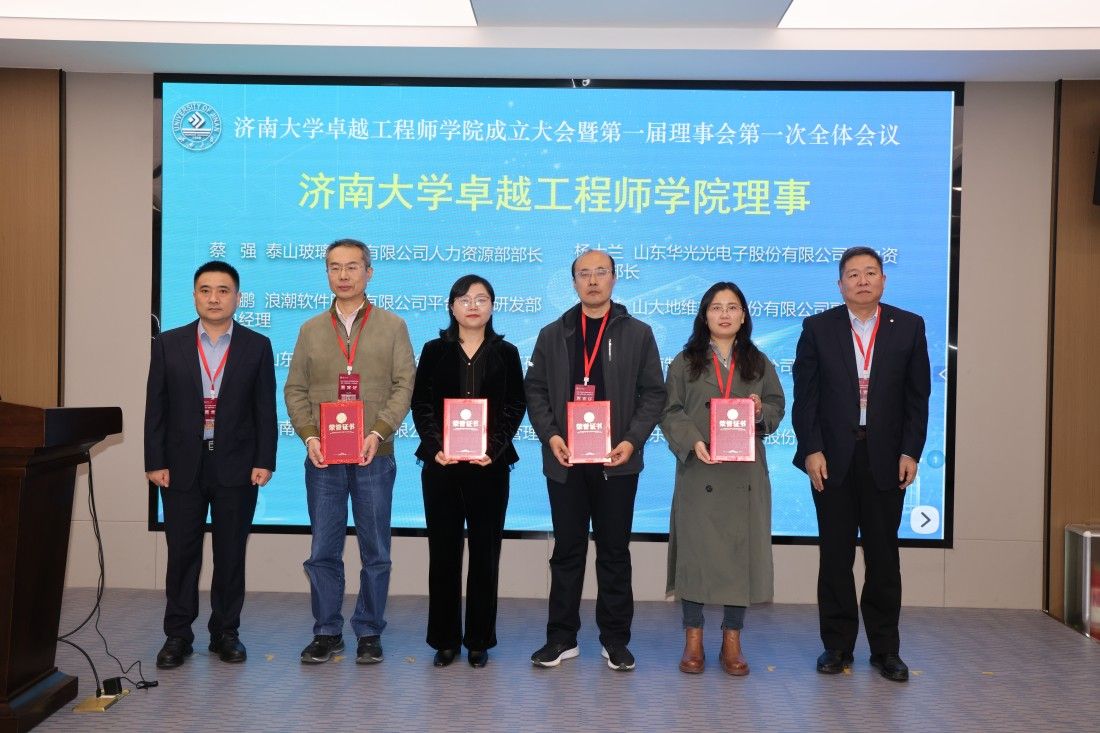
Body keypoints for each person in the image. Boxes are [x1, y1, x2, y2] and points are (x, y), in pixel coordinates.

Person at [792, 246, 931, 682]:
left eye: (871, 272)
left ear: (883, 280)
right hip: (832, 459)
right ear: (840, 285)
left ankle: (886, 649)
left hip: (886, 458)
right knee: (835, 556)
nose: (863, 280)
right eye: (853, 274)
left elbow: (918, 398)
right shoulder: (818, 328)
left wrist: (910, 452)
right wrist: (811, 449)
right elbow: (806, 398)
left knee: (883, 557)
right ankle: (836, 646)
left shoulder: (909, 326)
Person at [524, 249, 666, 672]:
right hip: (566, 462)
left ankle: (615, 640)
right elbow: (535, 390)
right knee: (567, 551)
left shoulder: (638, 333)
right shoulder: (553, 334)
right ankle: (561, 638)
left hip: (616, 462)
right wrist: (551, 436)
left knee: (614, 552)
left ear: (614, 278)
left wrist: (632, 441)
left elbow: (654, 393)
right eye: (583, 274)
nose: (592, 280)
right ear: (573, 283)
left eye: (600, 272)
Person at [284, 238, 415, 665]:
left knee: (376, 550)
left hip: (374, 455)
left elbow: (404, 386)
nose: (343, 275)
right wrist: (310, 436)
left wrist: (379, 431)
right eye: (334, 267)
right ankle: (326, 631)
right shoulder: (310, 330)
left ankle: (369, 630)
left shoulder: (393, 326)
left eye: (352, 267)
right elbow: (295, 389)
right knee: (323, 549)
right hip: (324, 458)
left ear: (369, 272)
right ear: (326, 273)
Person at [144, 260, 277, 669]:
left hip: (237, 465)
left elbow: (265, 409)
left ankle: (225, 633)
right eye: (205, 290)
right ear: (194, 296)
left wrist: (265, 460)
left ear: (237, 297)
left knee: (230, 553)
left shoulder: (257, 345)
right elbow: (156, 407)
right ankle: (177, 635)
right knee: (182, 554)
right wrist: (154, 460)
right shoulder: (168, 343)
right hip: (181, 465)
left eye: (223, 290)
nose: (214, 298)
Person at [660, 282, 784, 676]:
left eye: (732, 307)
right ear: (705, 316)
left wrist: (761, 411)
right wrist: (693, 441)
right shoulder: (685, 361)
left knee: (739, 555)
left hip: (744, 473)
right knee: (695, 555)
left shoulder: (759, 362)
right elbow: (669, 409)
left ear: (744, 316)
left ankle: (733, 638)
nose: (725, 314)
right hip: (700, 469)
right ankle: (693, 637)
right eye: (716, 307)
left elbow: (777, 406)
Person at [411, 275, 526, 669]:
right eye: (464, 299)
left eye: (481, 299)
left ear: (492, 306)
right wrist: (435, 447)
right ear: (451, 306)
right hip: (442, 466)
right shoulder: (434, 350)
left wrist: (493, 450)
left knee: (485, 554)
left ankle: (479, 640)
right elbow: (420, 404)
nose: (472, 305)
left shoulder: (507, 352)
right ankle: (444, 640)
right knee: (443, 553)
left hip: (489, 468)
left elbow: (515, 406)